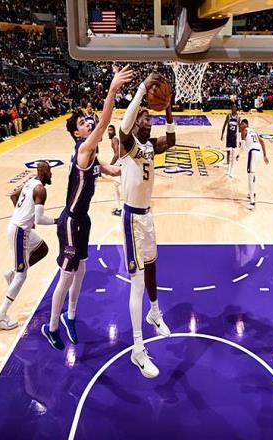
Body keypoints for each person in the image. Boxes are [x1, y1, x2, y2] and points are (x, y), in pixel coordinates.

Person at [41, 65, 133, 350]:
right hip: (70, 221)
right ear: (76, 133)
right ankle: (51, 327)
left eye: (86, 120)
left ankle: (70, 316)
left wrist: (137, 164)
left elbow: (112, 170)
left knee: (81, 270)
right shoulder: (82, 150)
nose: (88, 124)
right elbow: (104, 124)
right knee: (66, 275)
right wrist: (113, 88)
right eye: (82, 123)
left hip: (84, 220)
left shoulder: (92, 155)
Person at [118, 73, 175, 379]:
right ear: (136, 122)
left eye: (150, 118)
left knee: (152, 267)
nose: (148, 121)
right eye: (145, 118)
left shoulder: (151, 146)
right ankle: (137, 351)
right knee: (137, 282)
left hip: (148, 216)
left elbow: (172, 141)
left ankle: (154, 313)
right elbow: (124, 127)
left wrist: (168, 111)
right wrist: (141, 90)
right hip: (131, 219)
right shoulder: (127, 144)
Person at [0, 162, 56, 330]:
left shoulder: (31, 181)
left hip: (20, 228)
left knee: (42, 249)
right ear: (43, 172)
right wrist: (58, 221)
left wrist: (22, 213)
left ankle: (11, 273)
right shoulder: (40, 190)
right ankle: (0, 316)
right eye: (49, 171)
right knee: (22, 275)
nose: (51, 174)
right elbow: (39, 219)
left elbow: (14, 195)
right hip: (19, 232)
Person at [239, 119, 269, 210]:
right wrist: (264, 155)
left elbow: (243, 147)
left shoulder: (244, 131)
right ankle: (252, 193)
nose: (241, 126)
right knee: (251, 174)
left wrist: (238, 154)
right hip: (258, 152)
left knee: (250, 175)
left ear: (246, 124)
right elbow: (262, 142)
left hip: (252, 152)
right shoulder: (254, 131)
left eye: (242, 124)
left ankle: (252, 202)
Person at [108, 124, 122, 216]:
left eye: (111, 130)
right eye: (108, 130)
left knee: (119, 187)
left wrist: (110, 165)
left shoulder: (115, 139)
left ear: (114, 131)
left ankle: (121, 208)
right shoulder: (114, 139)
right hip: (120, 164)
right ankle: (120, 208)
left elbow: (117, 154)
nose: (109, 132)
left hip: (119, 165)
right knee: (116, 187)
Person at [221, 104, 240, 172]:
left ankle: (232, 164)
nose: (233, 109)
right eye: (232, 107)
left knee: (233, 151)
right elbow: (224, 125)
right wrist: (222, 134)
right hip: (229, 136)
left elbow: (239, 128)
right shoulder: (228, 116)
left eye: (234, 107)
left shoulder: (238, 117)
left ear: (236, 109)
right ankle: (228, 162)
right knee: (228, 150)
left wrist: (240, 139)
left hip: (234, 137)